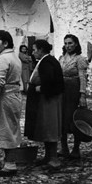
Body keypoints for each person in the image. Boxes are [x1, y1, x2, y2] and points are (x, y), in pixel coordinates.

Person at [24, 40, 64, 171]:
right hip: (46, 100)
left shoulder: (47, 62)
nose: (33, 52)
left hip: (48, 101)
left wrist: (40, 89)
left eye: (35, 49)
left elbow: (51, 81)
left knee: (50, 127)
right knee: (46, 127)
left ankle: (53, 158)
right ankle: (48, 156)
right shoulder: (46, 61)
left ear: (41, 50)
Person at [0, 30, 22, 175]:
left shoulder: (2, 59)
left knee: (6, 129)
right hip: (14, 95)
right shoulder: (14, 57)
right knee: (11, 128)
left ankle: (10, 164)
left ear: (5, 43)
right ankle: (8, 161)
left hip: (5, 97)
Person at [59, 33, 88, 159]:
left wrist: (82, 95)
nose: (68, 46)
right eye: (66, 43)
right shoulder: (61, 58)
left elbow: (82, 77)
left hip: (73, 91)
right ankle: (64, 147)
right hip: (62, 91)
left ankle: (76, 149)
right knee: (61, 118)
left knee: (74, 119)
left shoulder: (79, 59)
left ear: (76, 44)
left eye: (70, 43)